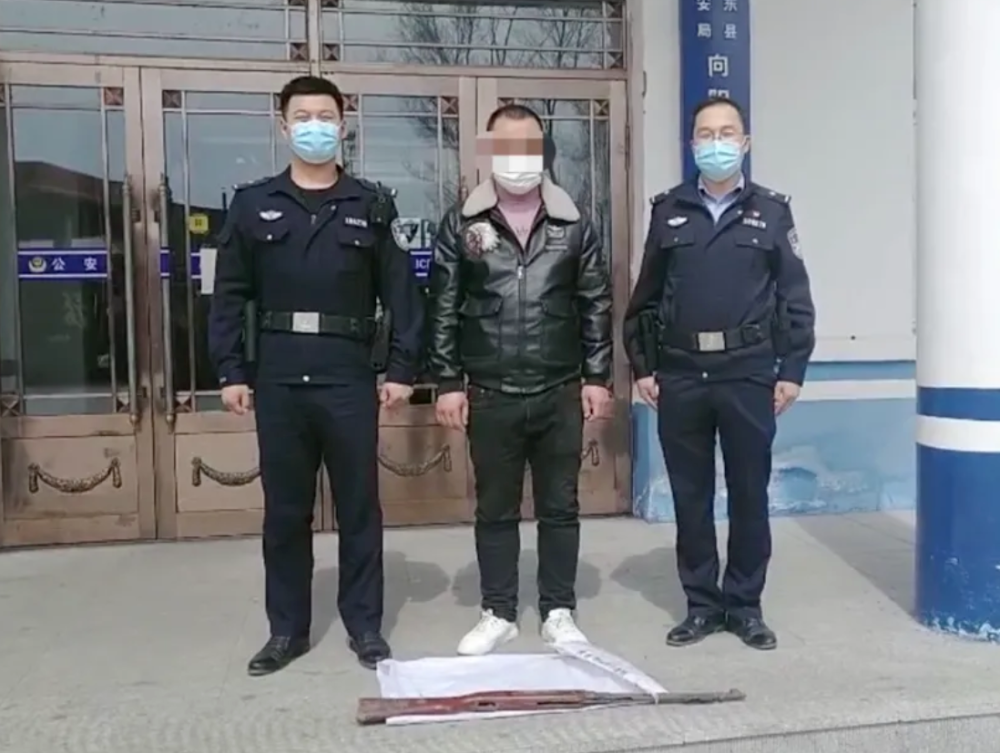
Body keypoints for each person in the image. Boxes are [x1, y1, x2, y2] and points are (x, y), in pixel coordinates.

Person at [208, 75, 424, 675]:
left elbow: (402, 294)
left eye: (325, 117)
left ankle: (365, 627)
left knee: (359, 509)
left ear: (343, 125)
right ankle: (286, 631)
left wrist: (402, 368)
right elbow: (229, 295)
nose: (314, 127)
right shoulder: (252, 205)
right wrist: (230, 370)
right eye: (302, 117)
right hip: (279, 375)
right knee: (285, 512)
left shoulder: (371, 205)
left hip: (347, 375)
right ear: (283, 127)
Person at [623, 96, 815, 651]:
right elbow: (645, 297)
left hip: (748, 373)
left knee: (750, 494)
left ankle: (745, 606)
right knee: (691, 497)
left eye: (727, 133)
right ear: (692, 144)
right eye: (706, 134)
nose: (716, 143)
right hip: (681, 374)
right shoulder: (668, 210)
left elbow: (795, 298)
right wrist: (643, 367)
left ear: (745, 142)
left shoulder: (771, 212)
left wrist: (792, 370)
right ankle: (702, 606)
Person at [428, 103, 613, 656]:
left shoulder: (573, 222)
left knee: (560, 507)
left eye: (528, 145)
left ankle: (558, 610)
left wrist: (597, 376)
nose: (517, 157)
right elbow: (443, 305)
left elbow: (595, 302)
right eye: (505, 145)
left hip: (559, 389)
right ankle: (499, 611)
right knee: (495, 509)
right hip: (491, 392)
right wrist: (447, 381)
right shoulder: (463, 223)